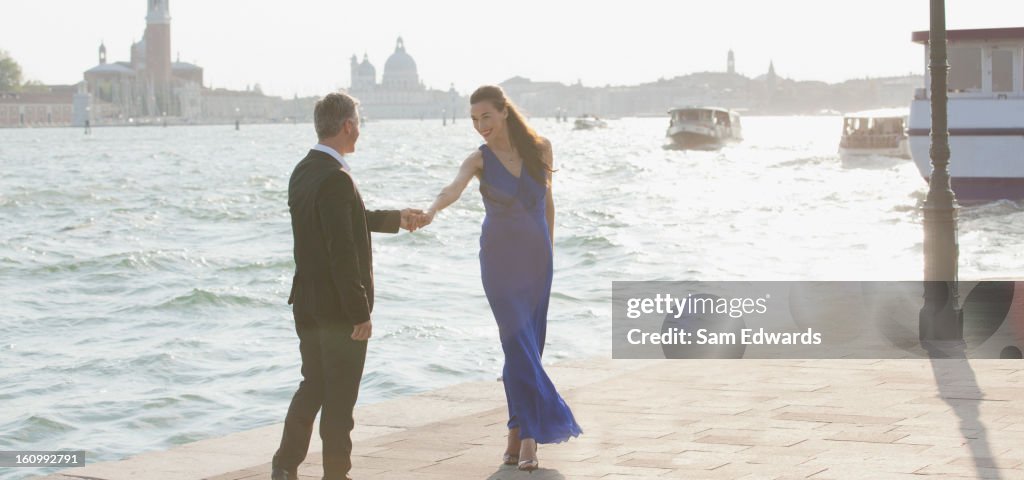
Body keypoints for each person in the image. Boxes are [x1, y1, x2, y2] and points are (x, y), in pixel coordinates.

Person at [416, 85, 582, 471]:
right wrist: (431, 211)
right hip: (500, 264)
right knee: (518, 343)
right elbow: (452, 189)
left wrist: (550, 251)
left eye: (485, 116)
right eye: (474, 120)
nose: (480, 126)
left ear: (504, 112)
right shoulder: (478, 160)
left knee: (526, 347)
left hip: (538, 262)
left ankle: (513, 431)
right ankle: (528, 437)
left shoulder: (541, 148)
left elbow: (548, 203)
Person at [271, 92, 423, 480]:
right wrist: (360, 313)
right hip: (339, 310)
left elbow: (345, 220)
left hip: (306, 303)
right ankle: (336, 475)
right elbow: (342, 251)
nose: (360, 129)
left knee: (313, 388)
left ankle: (284, 467)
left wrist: (397, 219)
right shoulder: (337, 178)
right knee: (339, 403)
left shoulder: (305, 170)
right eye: (359, 122)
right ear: (348, 126)